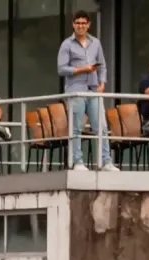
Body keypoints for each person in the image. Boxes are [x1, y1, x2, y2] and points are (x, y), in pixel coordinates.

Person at [56, 9, 118, 171]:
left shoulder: (95, 43)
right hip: (75, 89)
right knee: (76, 128)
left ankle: (106, 161)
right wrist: (82, 69)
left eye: (83, 23)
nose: (81, 26)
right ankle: (77, 161)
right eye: (78, 23)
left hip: (93, 89)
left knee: (101, 127)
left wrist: (102, 82)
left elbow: (102, 65)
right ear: (73, 24)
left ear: (89, 25)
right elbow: (61, 69)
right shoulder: (67, 44)